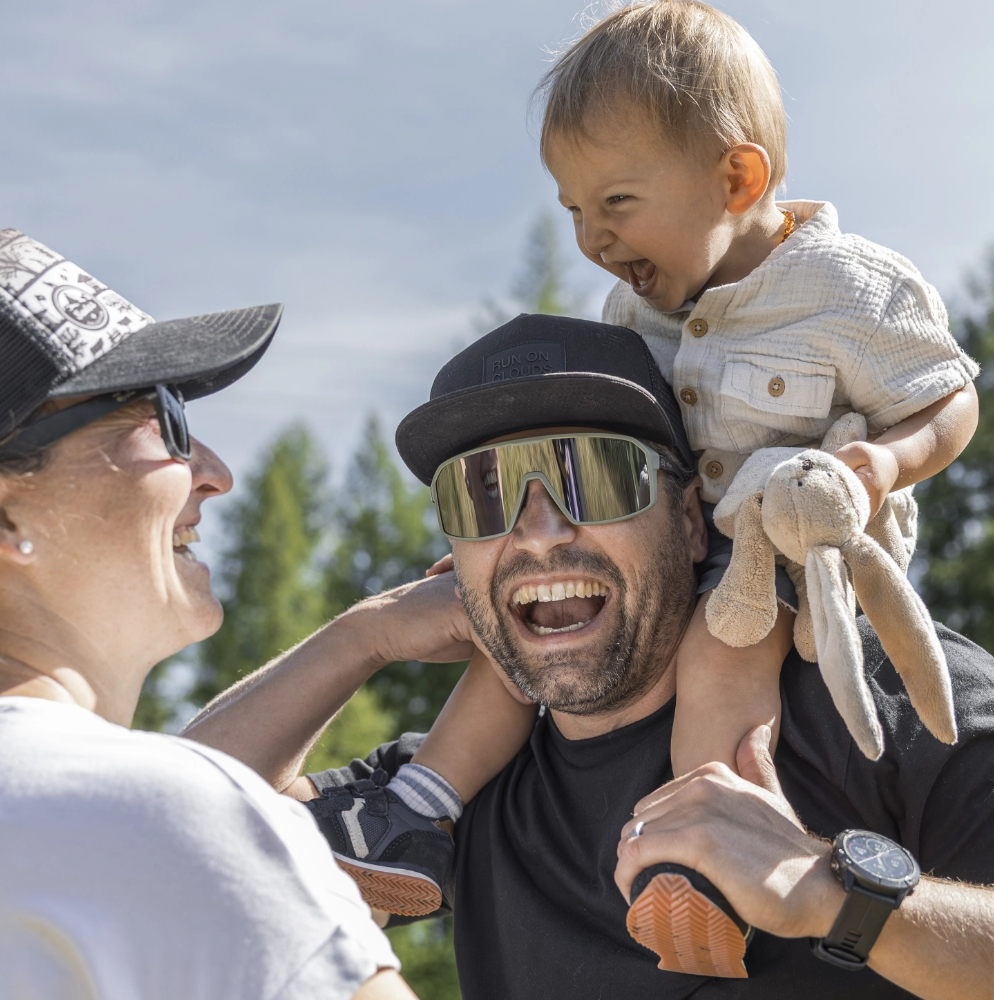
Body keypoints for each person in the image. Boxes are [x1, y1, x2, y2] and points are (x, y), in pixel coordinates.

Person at [302, 0, 982, 967]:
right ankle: (419, 809)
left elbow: (947, 396)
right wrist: (375, 627)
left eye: (615, 203)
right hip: (699, 557)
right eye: (573, 210)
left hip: (794, 556)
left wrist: (884, 463)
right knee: (505, 638)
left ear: (738, 177)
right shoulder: (639, 311)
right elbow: (175, 808)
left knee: (720, 653)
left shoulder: (850, 292)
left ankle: (702, 850)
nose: (591, 236)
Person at [186, 314, 994, 999]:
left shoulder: (882, 701)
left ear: (687, 520)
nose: (538, 533)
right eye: (484, 495)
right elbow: (171, 826)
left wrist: (831, 890)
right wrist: (365, 633)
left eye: (595, 478)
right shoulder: (452, 786)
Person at [0, 228, 417, 1000]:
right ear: (3, 519)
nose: (215, 474)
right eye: (161, 417)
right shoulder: (169, 824)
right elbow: (165, 813)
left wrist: (365, 634)